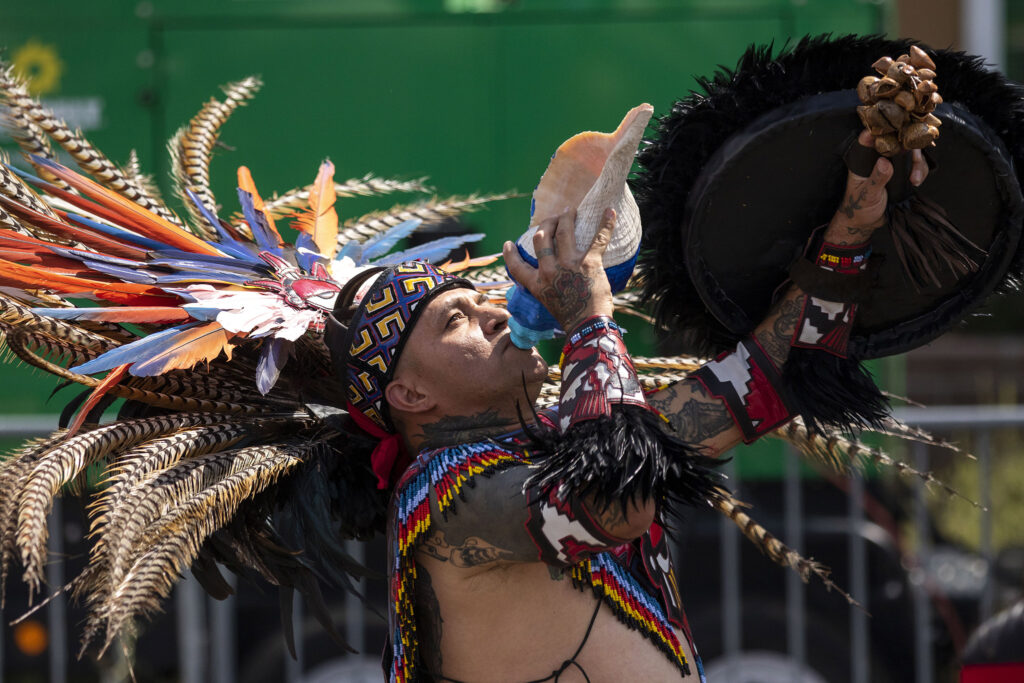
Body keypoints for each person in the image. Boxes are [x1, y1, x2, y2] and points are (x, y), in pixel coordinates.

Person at [325, 132, 929, 682]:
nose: (492, 312)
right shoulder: (437, 500)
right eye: (456, 319)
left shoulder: (568, 440)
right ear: (409, 395)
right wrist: (589, 321)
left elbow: (774, 374)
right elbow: (617, 499)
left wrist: (854, 219)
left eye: (478, 299)